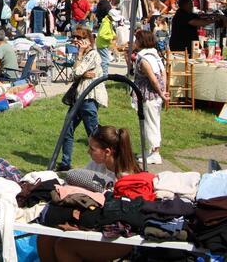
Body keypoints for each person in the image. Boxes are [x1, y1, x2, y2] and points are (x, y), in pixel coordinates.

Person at [39, 125, 141, 262]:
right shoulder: (96, 164)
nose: (88, 152)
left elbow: (121, 219)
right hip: (91, 219)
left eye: (92, 149)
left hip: (118, 235)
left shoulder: (126, 177)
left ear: (107, 152)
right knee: (45, 237)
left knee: (64, 247)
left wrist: (82, 229)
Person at [56, 26, 107, 172]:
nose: (76, 40)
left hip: (89, 99)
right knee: (67, 129)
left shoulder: (92, 55)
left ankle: (103, 163)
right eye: (75, 37)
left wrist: (79, 58)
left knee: (94, 134)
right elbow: (74, 75)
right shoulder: (85, 54)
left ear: (89, 40)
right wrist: (81, 73)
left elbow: (76, 71)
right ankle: (65, 163)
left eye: (80, 38)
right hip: (79, 98)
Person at [132, 30, 168, 165]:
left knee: (150, 123)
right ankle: (152, 150)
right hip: (156, 94)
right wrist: (163, 90)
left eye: (136, 40)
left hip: (149, 94)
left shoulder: (144, 59)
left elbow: (153, 79)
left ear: (141, 42)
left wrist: (160, 92)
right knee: (153, 121)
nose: (135, 42)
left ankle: (155, 152)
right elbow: (163, 73)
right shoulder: (155, 54)